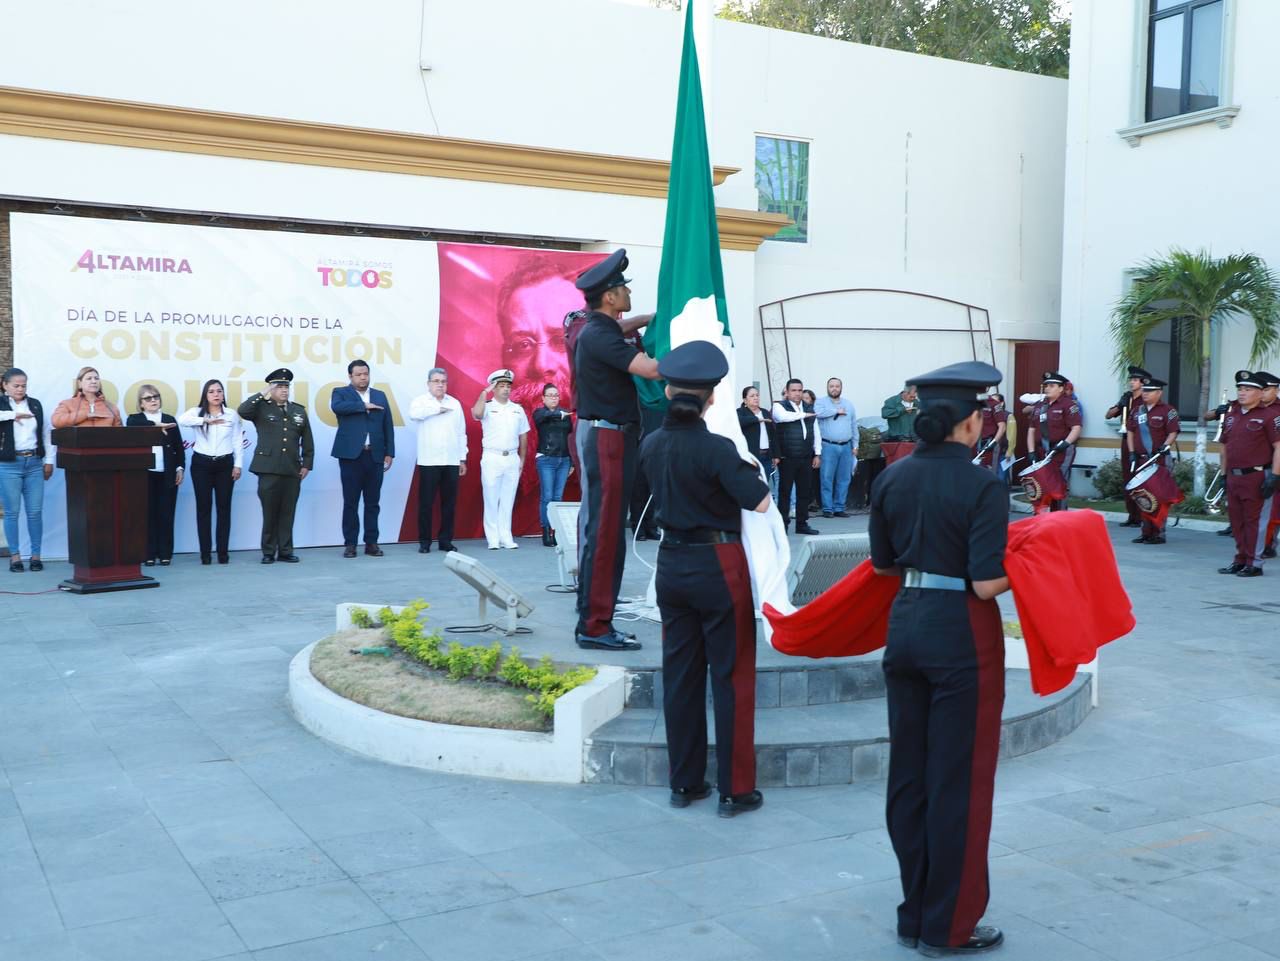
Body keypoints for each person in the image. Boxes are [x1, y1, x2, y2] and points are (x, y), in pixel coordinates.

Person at [868, 359, 1010, 957]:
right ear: (971, 423)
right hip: (960, 633)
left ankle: (914, 912)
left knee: (910, 776)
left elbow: (882, 565)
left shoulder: (892, 478)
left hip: (905, 623)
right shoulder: (983, 486)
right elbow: (986, 583)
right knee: (960, 780)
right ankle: (948, 925)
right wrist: (1031, 562)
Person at [638, 341, 772, 819]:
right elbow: (760, 501)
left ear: (668, 392)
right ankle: (735, 790)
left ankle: (685, 781)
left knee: (680, 676)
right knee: (731, 675)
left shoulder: (651, 444)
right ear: (711, 398)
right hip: (718, 563)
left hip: (671, 563)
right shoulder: (718, 448)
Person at [570, 248, 660, 651]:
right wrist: (696, 352)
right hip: (608, 439)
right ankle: (594, 626)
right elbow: (651, 369)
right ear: (609, 297)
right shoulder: (600, 335)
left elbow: (621, 327)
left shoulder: (596, 329)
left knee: (602, 531)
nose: (628, 293)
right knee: (606, 534)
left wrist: (648, 319)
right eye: (623, 289)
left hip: (605, 436)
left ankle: (593, 613)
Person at [238, 368, 314, 564]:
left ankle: (286, 550)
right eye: (279, 387)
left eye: (286, 386)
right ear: (271, 389)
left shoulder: (298, 410)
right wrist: (263, 392)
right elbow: (243, 410)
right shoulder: (262, 408)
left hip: (291, 468)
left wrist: (306, 464)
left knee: (288, 513)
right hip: (268, 468)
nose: (284, 390)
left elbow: (307, 440)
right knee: (269, 512)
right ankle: (268, 551)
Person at [1218, 371, 1280, 578]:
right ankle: (1241, 559)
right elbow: (1224, 446)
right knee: (1237, 522)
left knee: (1255, 522)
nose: (1242, 393)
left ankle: (1254, 563)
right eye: (1240, 389)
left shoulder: (1270, 416)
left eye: (1248, 389)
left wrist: (1275, 476)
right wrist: (1223, 475)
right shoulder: (1231, 416)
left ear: (1260, 393)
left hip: (1257, 476)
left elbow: (1279, 447)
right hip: (1234, 476)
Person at [330, 359, 395, 558]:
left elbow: (388, 424)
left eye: (365, 374)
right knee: (351, 502)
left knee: (372, 502)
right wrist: (363, 405)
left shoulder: (380, 395)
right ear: (350, 376)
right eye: (358, 374)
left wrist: (390, 452)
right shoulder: (340, 393)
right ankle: (350, 544)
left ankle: (371, 543)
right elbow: (337, 407)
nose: (363, 377)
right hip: (351, 456)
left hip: (374, 455)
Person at [179, 379, 244, 565]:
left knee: (224, 508)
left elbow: (237, 440)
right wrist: (205, 420)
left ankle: (223, 553)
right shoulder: (196, 412)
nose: (216, 394)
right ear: (205, 395)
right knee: (203, 508)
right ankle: (205, 554)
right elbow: (182, 420)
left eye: (219, 391)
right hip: (202, 465)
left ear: (223, 394)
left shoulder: (231, 415)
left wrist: (238, 465)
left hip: (225, 464)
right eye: (211, 391)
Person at [0, 368, 54, 573]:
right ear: (5, 385)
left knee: (35, 512)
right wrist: (13, 415)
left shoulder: (35, 404)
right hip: (9, 465)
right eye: (16, 385)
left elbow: (46, 432)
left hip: (34, 462)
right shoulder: (2, 403)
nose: (20, 389)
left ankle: (36, 555)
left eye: (23, 385)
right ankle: (15, 556)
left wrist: (49, 460)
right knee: (12, 512)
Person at [409, 368, 468, 553]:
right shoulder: (420, 402)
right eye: (436, 381)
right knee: (426, 504)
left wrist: (462, 458)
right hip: (429, 461)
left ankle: (445, 540)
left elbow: (461, 433)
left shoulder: (455, 403)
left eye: (443, 381)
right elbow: (414, 414)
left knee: (449, 504)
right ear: (428, 383)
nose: (440, 385)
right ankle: (424, 542)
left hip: (451, 460)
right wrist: (437, 409)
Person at [126, 385, 185, 566]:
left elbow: (178, 447)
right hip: (145, 474)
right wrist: (155, 426)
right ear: (141, 403)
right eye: (148, 398)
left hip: (167, 473)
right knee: (147, 515)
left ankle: (165, 553)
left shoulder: (169, 419)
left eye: (156, 397)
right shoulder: (135, 419)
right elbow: (132, 426)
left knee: (166, 514)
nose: (153, 400)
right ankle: (148, 554)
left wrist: (180, 468)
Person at [472, 369, 530, 550]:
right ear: (494, 388)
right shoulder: (487, 406)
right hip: (492, 456)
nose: (506, 389)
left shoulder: (517, 409)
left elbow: (523, 436)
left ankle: (506, 536)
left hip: (511, 457)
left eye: (508, 386)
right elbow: (477, 414)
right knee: (491, 498)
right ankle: (493, 538)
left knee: (508, 499)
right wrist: (484, 392)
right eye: (501, 386)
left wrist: (521, 460)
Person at [1126, 376, 1180, 545]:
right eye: (1144, 390)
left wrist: (1165, 446)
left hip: (1159, 460)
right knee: (1143, 495)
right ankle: (1146, 532)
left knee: (1158, 496)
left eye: (1150, 391)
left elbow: (1173, 432)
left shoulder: (1168, 410)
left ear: (1159, 393)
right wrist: (1131, 452)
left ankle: (1158, 533)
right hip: (1141, 459)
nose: (1145, 394)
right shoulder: (1137, 411)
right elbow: (1130, 432)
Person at [1026, 371, 1081, 512]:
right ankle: (1041, 516)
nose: (1047, 388)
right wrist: (1031, 451)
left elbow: (1076, 427)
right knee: (1041, 483)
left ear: (1061, 388)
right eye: (1046, 385)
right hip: (1041, 450)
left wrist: (1066, 443)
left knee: (1058, 484)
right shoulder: (1039, 405)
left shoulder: (1068, 405)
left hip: (1061, 451)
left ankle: (1059, 516)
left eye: (1051, 386)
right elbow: (1031, 429)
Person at [771, 379, 821, 535]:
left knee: (804, 492)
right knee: (784, 492)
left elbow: (816, 431)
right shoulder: (779, 406)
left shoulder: (809, 407)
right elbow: (784, 417)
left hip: (806, 457)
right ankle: (783, 526)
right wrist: (804, 415)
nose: (797, 393)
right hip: (787, 457)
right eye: (793, 390)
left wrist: (817, 453)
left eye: (799, 390)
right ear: (787, 392)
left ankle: (802, 524)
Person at [1106, 365, 1151, 528]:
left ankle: (1142, 515)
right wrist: (1120, 405)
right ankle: (1132, 515)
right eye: (1131, 380)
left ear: (1143, 382)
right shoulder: (1127, 398)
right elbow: (1108, 415)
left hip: (1142, 441)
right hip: (1126, 441)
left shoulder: (1146, 399)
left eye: (1135, 380)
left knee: (1141, 478)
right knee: (1128, 477)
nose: (1131, 382)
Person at [533, 383, 574, 547]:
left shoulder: (565, 414)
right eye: (550, 395)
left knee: (558, 497)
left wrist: (572, 461)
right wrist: (559, 414)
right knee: (547, 497)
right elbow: (542, 418)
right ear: (543, 398)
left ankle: (556, 532)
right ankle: (545, 531)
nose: (553, 398)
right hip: (546, 458)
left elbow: (569, 438)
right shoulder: (539, 413)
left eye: (556, 395)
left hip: (563, 459)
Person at [815, 377, 856, 517]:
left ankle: (839, 507)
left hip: (846, 446)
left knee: (844, 478)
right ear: (827, 388)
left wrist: (855, 445)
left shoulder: (848, 404)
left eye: (837, 386)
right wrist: (836, 411)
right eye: (831, 386)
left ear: (841, 388)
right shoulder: (821, 402)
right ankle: (827, 508)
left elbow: (853, 425)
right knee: (827, 478)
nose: (834, 388)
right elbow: (818, 413)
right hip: (828, 445)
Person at [51, 366, 122, 428]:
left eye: (96, 378)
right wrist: (85, 414)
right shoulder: (67, 404)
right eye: (89, 378)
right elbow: (56, 421)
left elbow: (120, 433)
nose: (94, 381)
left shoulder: (112, 407)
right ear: (79, 383)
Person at [736, 386, 777, 494]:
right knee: (750, 485)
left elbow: (773, 435)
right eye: (752, 396)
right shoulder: (740, 412)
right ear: (745, 400)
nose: (756, 398)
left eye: (757, 395)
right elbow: (739, 422)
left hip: (766, 456)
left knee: (763, 485)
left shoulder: (765, 412)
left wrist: (775, 455)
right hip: (750, 456)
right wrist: (757, 419)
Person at [974, 391, 1008, 480]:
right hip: (973, 444)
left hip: (989, 445)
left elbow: (1002, 426)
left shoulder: (994, 404)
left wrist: (993, 442)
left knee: (990, 474)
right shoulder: (971, 401)